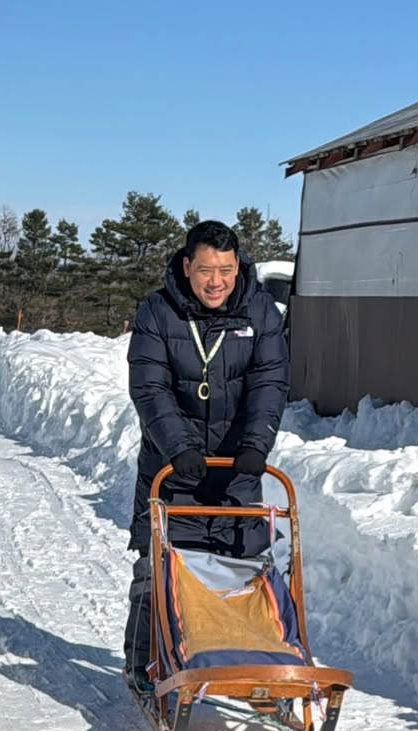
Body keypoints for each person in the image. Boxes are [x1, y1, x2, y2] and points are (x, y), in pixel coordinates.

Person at [122, 219, 289, 689]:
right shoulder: (157, 312)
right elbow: (149, 388)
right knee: (159, 568)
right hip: (172, 470)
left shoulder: (260, 312)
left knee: (242, 569)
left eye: (227, 270)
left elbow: (270, 381)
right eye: (206, 270)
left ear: (238, 268)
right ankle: (142, 664)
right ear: (186, 266)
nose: (216, 282)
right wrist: (180, 447)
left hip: (238, 468)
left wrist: (257, 443)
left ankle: (248, 658)